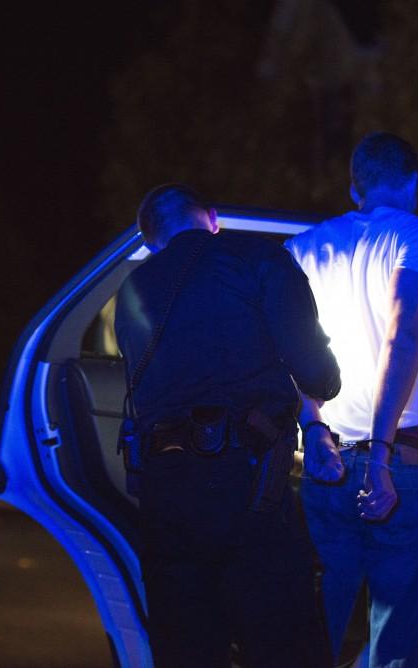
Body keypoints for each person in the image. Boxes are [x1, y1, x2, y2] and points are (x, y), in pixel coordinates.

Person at [114, 184, 341, 668]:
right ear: (212, 218)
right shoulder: (256, 258)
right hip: (250, 485)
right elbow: (316, 371)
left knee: (186, 644)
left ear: (150, 240)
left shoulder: (131, 290)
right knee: (283, 641)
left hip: (165, 492)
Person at [284, 133, 418, 667]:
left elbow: (286, 352)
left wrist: (313, 432)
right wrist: (379, 456)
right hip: (398, 463)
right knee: (396, 641)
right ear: (414, 182)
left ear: (353, 187)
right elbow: (401, 339)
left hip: (324, 465)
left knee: (312, 633)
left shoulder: (302, 249)